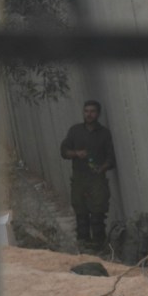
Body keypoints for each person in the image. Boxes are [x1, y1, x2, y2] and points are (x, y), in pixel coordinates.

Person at [58, 100, 115, 254]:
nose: (89, 114)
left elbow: (111, 158)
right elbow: (64, 151)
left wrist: (101, 167)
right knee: (81, 216)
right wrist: (76, 153)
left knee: (97, 216)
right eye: (86, 111)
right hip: (79, 178)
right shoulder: (75, 131)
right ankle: (83, 249)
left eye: (92, 111)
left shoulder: (104, 133)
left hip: (97, 179)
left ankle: (100, 249)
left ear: (98, 114)